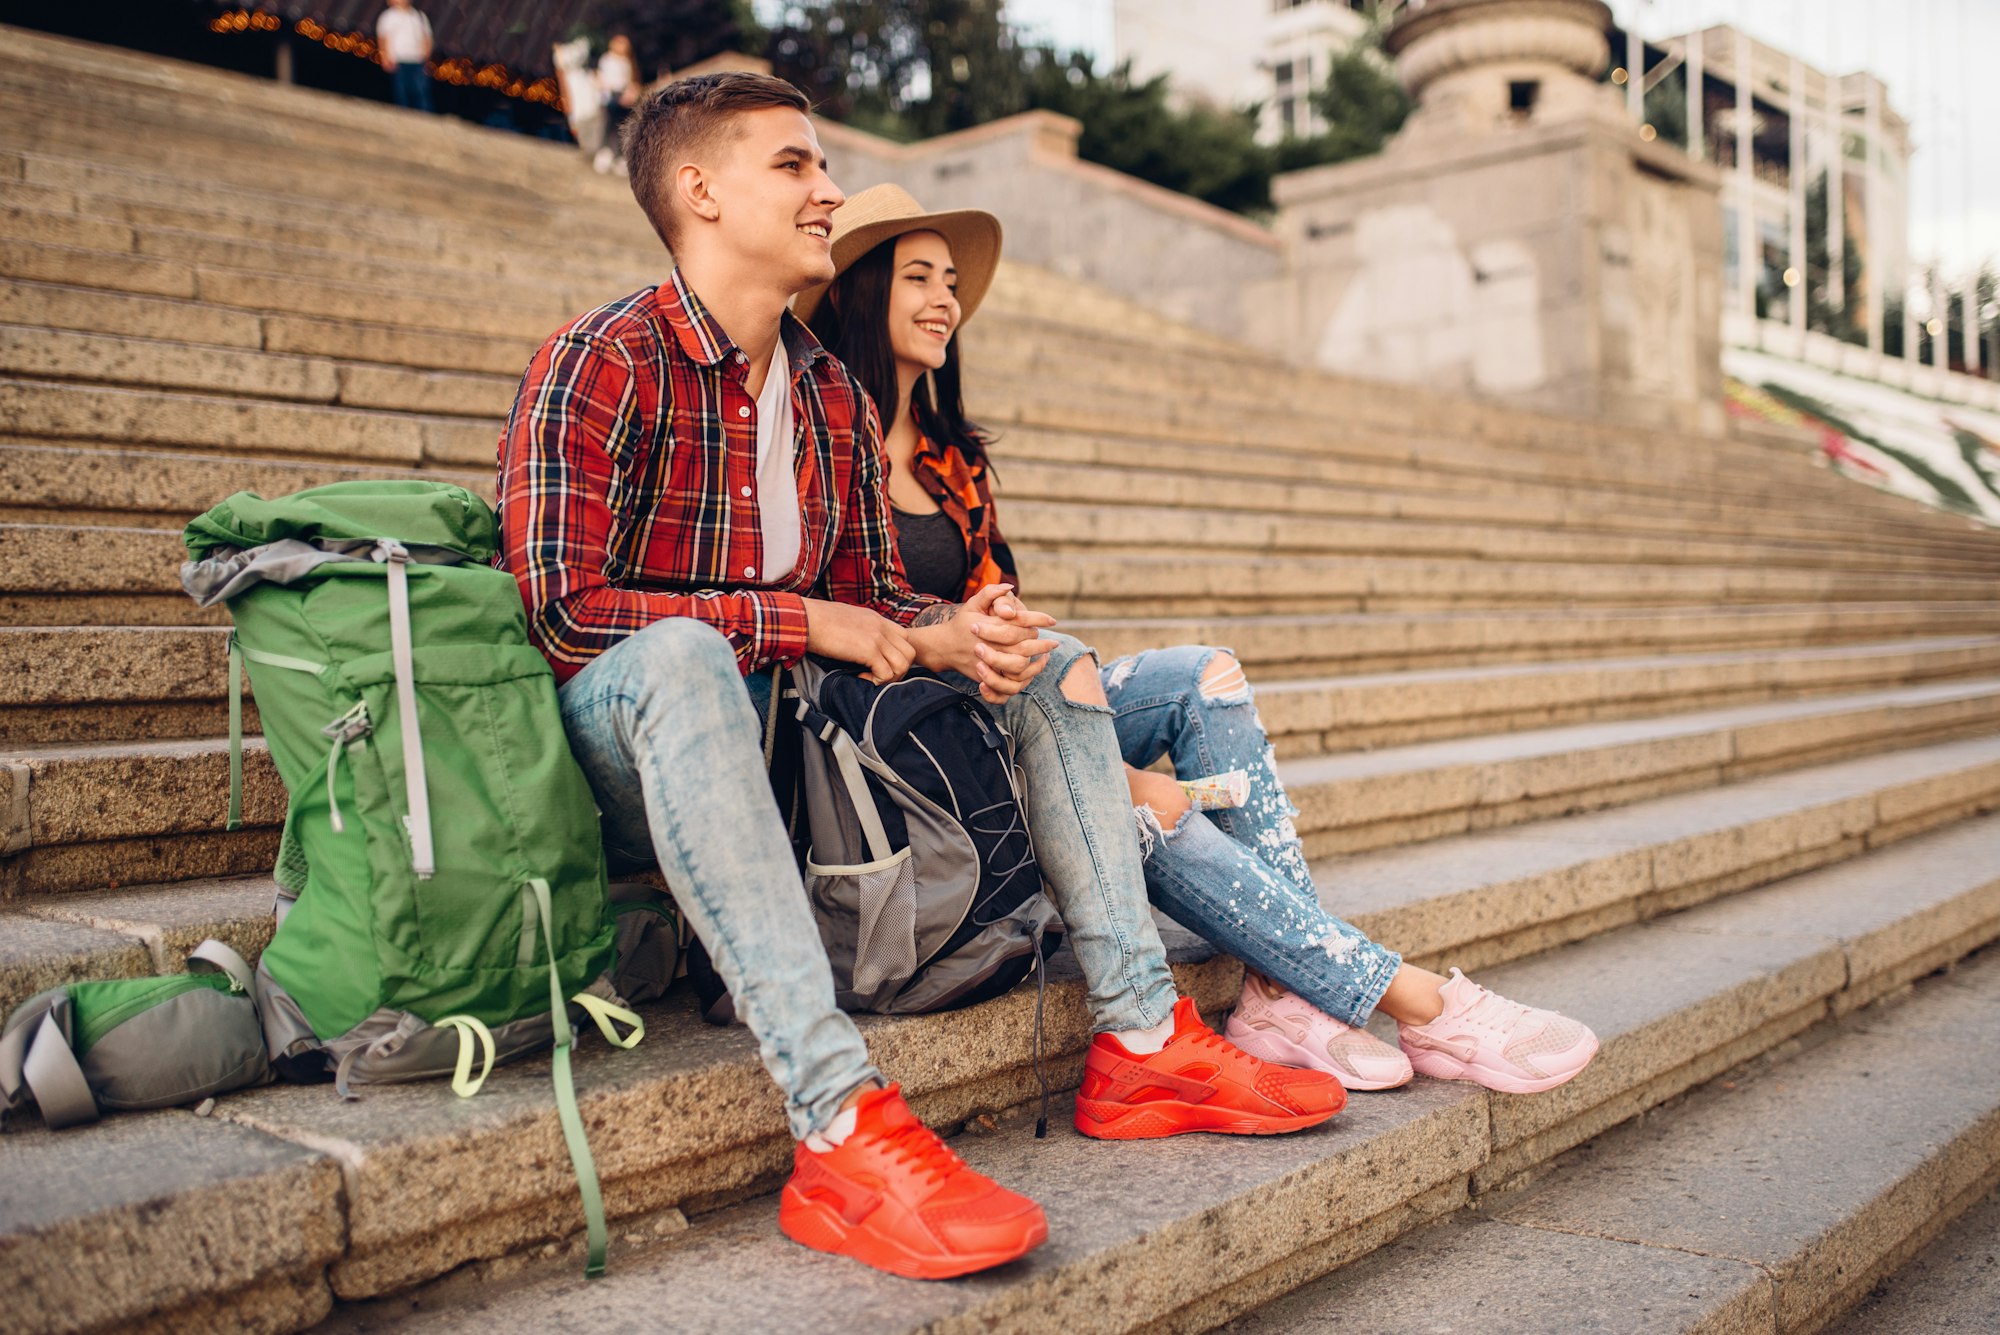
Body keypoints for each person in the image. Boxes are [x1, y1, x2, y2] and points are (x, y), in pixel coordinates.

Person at [496, 73, 1346, 1283]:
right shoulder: (604, 362)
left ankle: (1144, 1039)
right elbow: (564, 615)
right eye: (793, 165)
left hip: (795, 756)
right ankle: (836, 1120)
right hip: (630, 756)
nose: (826, 190)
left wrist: (952, 632)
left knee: (1048, 659)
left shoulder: (830, 396)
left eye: (821, 166)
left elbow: (873, 605)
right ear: (698, 190)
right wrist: (805, 621)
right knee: (682, 655)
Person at [796, 185, 1601, 1098]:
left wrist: (1072, 695)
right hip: (924, 756)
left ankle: (1277, 993)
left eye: (950, 279)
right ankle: (1415, 999)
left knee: (1204, 676)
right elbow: (854, 640)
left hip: (1018, 695)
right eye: (917, 277)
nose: (945, 297)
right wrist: (1102, 760)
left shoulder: (952, 452)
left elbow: (1006, 606)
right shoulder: (823, 443)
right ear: (863, 289)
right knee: (1145, 807)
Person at [375, 0, 434, 114]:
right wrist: (385, 58)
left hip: (416, 60)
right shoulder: (388, 17)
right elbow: (383, 39)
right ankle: (403, 115)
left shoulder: (419, 16)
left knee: (420, 91)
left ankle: (424, 117)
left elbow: (427, 38)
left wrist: (426, 55)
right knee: (401, 92)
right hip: (399, 59)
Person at [597, 35, 641, 172]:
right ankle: (606, 153)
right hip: (611, 98)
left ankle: (619, 157)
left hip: (624, 98)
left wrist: (630, 92)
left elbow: (629, 82)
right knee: (610, 126)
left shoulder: (627, 62)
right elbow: (604, 81)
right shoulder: (607, 60)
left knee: (622, 127)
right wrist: (620, 93)